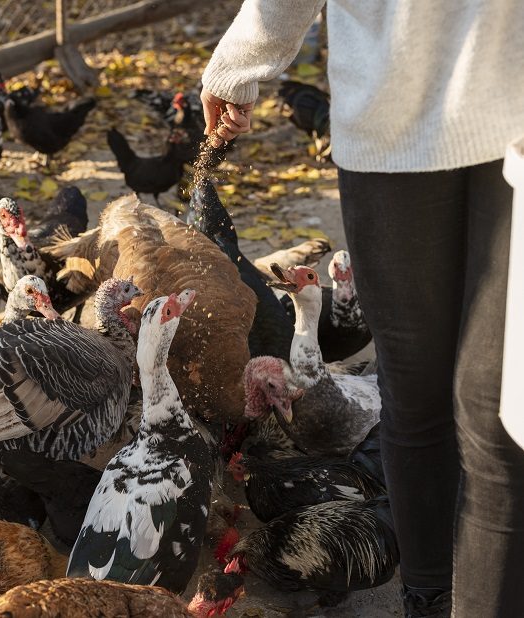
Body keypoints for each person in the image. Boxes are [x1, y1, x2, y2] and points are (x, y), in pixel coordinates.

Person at [200, 1, 524, 616]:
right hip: (388, 117)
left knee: (495, 415)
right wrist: (242, 60)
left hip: (517, 112)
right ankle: (426, 598)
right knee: (416, 398)